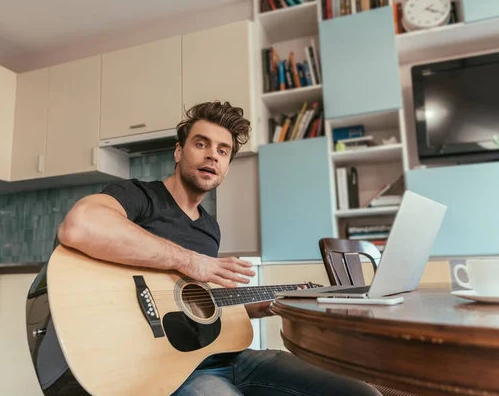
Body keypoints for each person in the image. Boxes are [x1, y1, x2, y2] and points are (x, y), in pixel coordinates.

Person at [57, 101, 381, 396]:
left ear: (225, 168)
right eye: (201, 144)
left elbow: (206, 305)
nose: (213, 154)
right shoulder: (140, 196)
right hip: (170, 370)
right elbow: (81, 225)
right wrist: (189, 261)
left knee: (361, 393)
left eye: (223, 151)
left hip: (230, 358)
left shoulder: (210, 228)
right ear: (178, 152)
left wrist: (271, 303)